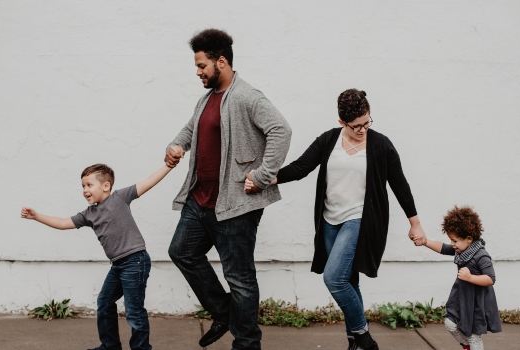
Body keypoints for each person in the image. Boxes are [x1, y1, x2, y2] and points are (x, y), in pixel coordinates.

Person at [245, 89, 427, 350]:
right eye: (356, 126)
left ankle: (364, 337)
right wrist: (264, 180)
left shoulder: (381, 145)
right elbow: (300, 167)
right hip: (330, 221)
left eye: (367, 122)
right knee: (349, 281)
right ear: (342, 122)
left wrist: (415, 222)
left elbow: (400, 184)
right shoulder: (329, 140)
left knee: (334, 279)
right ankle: (355, 343)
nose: (363, 130)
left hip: (360, 220)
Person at [165, 28, 291, 350]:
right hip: (200, 201)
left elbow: (281, 130)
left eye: (201, 66)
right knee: (182, 252)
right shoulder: (207, 98)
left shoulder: (248, 96)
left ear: (221, 62)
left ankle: (247, 343)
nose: (198, 72)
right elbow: (191, 129)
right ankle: (223, 313)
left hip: (235, 205)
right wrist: (178, 145)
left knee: (240, 279)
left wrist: (263, 175)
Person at [21, 163, 175, 350]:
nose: (85, 190)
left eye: (89, 185)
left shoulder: (119, 198)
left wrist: (168, 166)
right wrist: (36, 216)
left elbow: (148, 183)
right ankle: (110, 346)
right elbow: (62, 223)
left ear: (106, 186)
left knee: (134, 311)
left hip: (135, 261)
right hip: (118, 265)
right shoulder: (89, 214)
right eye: (83, 186)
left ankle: (141, 348)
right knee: (105, 301)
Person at [422, 206, 501, 350]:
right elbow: (443, 248)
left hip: (476, 302)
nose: (452, 244)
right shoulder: (462, 249)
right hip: (462, 297)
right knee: (450, 323)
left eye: (455, 241)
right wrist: (425, 242)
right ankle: (466, 345)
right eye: (451, 240)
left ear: (469, 239)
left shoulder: (481, 255)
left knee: (473, 337)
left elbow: (491, 278)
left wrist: (470, 277)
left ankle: (471, 345)